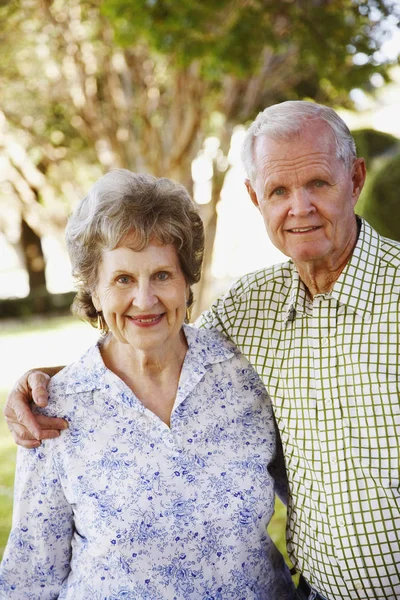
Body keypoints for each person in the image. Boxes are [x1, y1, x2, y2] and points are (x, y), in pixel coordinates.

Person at [4, 100, 400, 599]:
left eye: (317, 183)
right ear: (256, 198)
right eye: (279, 190)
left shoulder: (393, 293)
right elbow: (153, 347)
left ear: (357, 178)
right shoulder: (250, 310)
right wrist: (45, 382)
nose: (299, 207)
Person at [0, 170, 295, 599]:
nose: (144, 299)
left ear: (186, 281)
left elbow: (315, 500)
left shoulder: (245, 375)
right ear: (95, 292)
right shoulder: (53, 410)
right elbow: (29, 579)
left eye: (161, 275)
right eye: (123, 279)